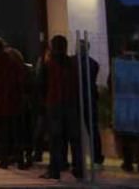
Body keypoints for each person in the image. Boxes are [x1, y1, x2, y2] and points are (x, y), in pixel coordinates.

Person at [39, 36, 82, 180]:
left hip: (54, 104)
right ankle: (78, 167)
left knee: (55, 139)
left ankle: (55, 169)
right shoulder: (72, 64)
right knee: (74, 138)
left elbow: (41, 85)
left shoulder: (48, 64)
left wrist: (43, 103)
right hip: (70, 104)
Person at [0, 38, 25, 169]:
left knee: (2, 134)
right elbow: (20, 82)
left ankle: (4, 160)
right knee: (16, 133)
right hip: (14, 102)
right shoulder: (13, 63)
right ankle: (20, 159)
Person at [114, 45, 139, 175]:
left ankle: (128, 163)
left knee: (126, 136)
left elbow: (111, 82)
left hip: (125, 103)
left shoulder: (120, 67)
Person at [77, 40, 104, 165]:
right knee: (92, 129)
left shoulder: (73, 63)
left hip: (76, 98)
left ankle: (78, 158)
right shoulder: (93, 64)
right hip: (90, 98)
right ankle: (97, 157)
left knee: (76, 130)